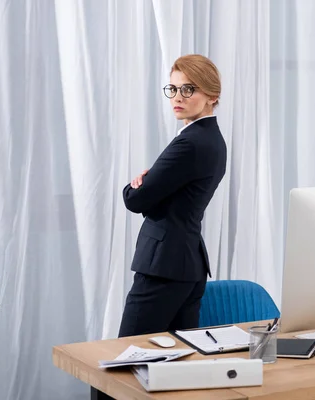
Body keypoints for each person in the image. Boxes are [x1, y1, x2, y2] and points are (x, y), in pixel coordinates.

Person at [118, 54, 227, 337]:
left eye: (188, 89)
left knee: (124, 360)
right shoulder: (213, 140)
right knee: (177, 364)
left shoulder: (190, 143)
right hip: (188, 265)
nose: (178, 97)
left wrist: (136, 187)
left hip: (164, 266)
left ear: (212, 96)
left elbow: (135, 200)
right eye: (173, 89)